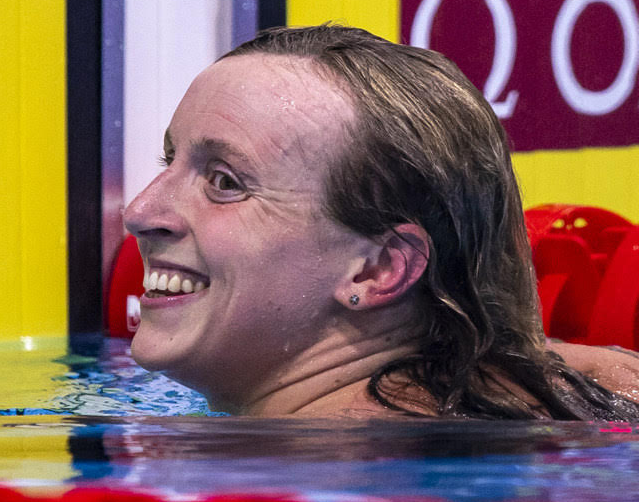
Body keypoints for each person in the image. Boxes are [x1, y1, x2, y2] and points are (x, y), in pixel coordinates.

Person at [122, 24, 639, 420]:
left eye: (225, 182)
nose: (140, 213)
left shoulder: (319, 472)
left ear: (378, 270)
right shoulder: (592, 380)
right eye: (170, 161)